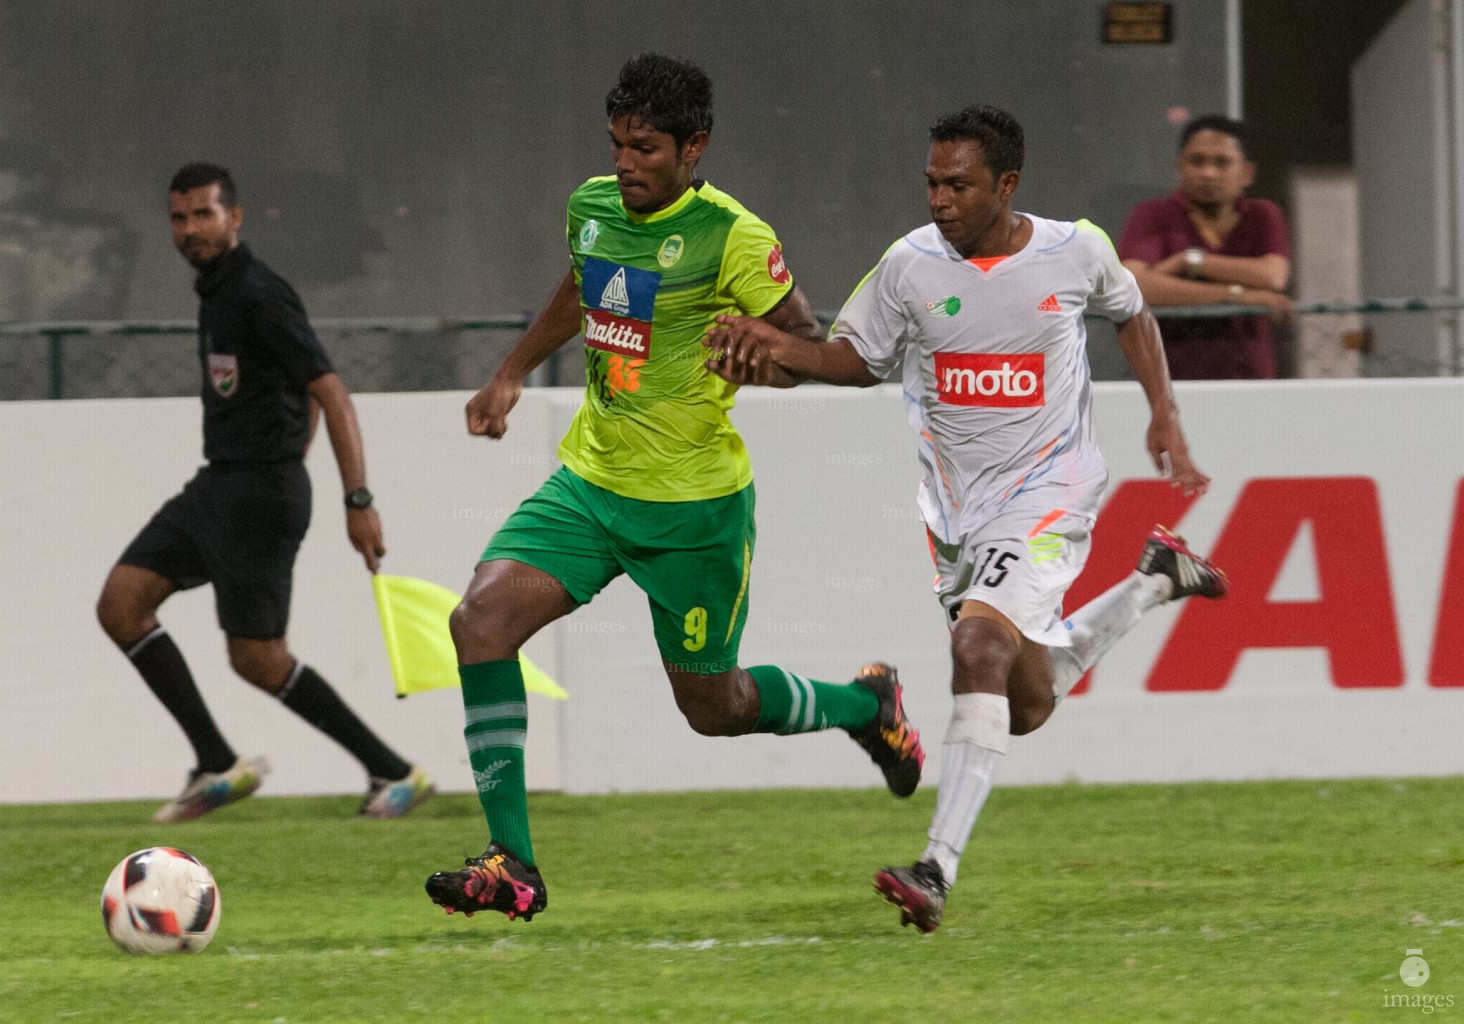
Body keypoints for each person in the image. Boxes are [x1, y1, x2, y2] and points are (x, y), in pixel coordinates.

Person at [422, 52, 926, 923]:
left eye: (645, 148)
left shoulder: (734, 235)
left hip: (693, 508)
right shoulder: (591, 206)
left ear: (694, 147)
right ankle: (514, 863)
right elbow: (584, 285)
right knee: (479, 622)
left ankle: (864, 704)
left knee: (716, 708)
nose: (625, 163)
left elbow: (803, 340)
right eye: (618, 144)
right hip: (589, 483)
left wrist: (757, 350)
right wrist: (511, 371)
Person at [704, 105, 1229, 933]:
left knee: (976, 646)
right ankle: (1153, 582)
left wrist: (1163, 412)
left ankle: (935, 869)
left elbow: (1131, 311)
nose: (940, 199)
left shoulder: (1076, 249)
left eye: (959, 185)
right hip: (957, 515)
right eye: (932, 183)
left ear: (1006, 186)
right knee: (1023, 702)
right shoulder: (909, 265)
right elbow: (854, 360)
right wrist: (778, 347)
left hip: (1051, 491)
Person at [95, 163, 432, 823]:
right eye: (179, 217)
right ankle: (217, 762)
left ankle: (395, 772)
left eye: (203, 215)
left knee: (256, 659)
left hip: (257, 495)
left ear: (235, 218)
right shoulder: (217, 292)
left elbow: (329, 390)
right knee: (121, 603)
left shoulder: (257, 292)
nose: (190, 229)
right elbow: (294, 386)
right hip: (218, 484)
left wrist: (355, 499)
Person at [1118, 114, 1292, 379]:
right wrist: (1238, 296)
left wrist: (1191, 261)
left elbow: (1273, 276)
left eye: (1222, 162)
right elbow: (1134, 286)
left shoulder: (1263, 215)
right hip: (1167, 381)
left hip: (1251, 380)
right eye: (1197, 162)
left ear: (1246, 173)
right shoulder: (1151, 214)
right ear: (1180, 167)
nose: (1208, 173)